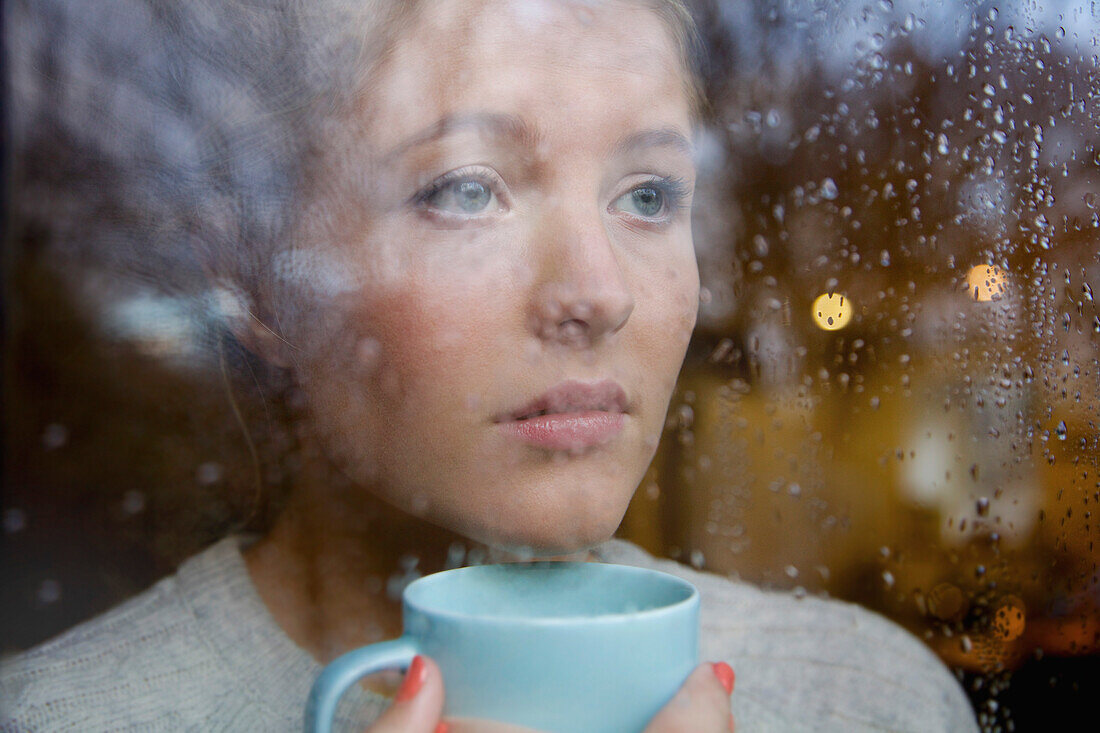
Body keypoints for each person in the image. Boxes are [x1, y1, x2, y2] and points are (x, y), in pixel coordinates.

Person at [1, 0, 978, 730]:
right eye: (465, 190)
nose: (598, 293)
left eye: (647, 196)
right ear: (256, 277)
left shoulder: (871, 704)